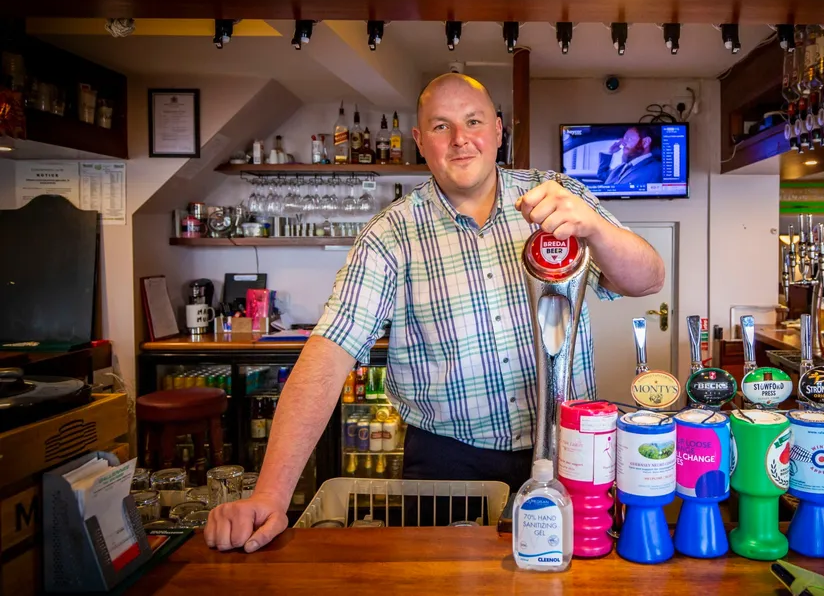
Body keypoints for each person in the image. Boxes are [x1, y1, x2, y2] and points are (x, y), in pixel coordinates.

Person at [204, 73, 665, 552]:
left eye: (473, 121)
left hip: (571, 447)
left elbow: (648, 279)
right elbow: (329, 352)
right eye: (442, 127)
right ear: (421, 142)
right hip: (449, 465)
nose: (461, 139)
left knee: (575, 580)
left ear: (499, 130)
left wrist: (595, 227)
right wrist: (270, 496)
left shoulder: (558, 197)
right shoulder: (391, 235)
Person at [595, 126, 662, 187]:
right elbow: (601, 174)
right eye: (624, 139)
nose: (623, 143)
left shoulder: (658, 168)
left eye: (629, 138)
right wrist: (610, 152)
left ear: (645, 142)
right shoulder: (621, 167)